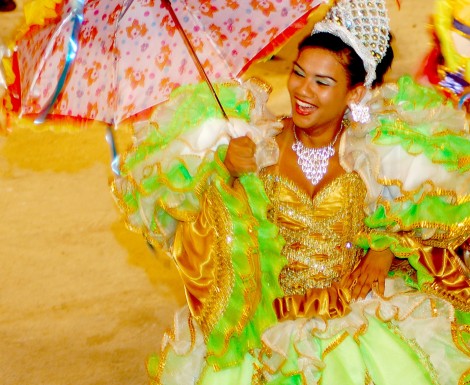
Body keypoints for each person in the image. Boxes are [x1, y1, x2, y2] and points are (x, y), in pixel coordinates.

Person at [112, 0, 470, 383]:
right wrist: (225, 174)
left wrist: (384, 249)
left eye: (323, 82)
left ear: (354, 94)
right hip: (269, 323)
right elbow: (196, 240)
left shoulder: (376, 152)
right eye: (298, 73)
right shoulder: (256, 145)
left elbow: (428, 219)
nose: (303, 91)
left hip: (359, 317)